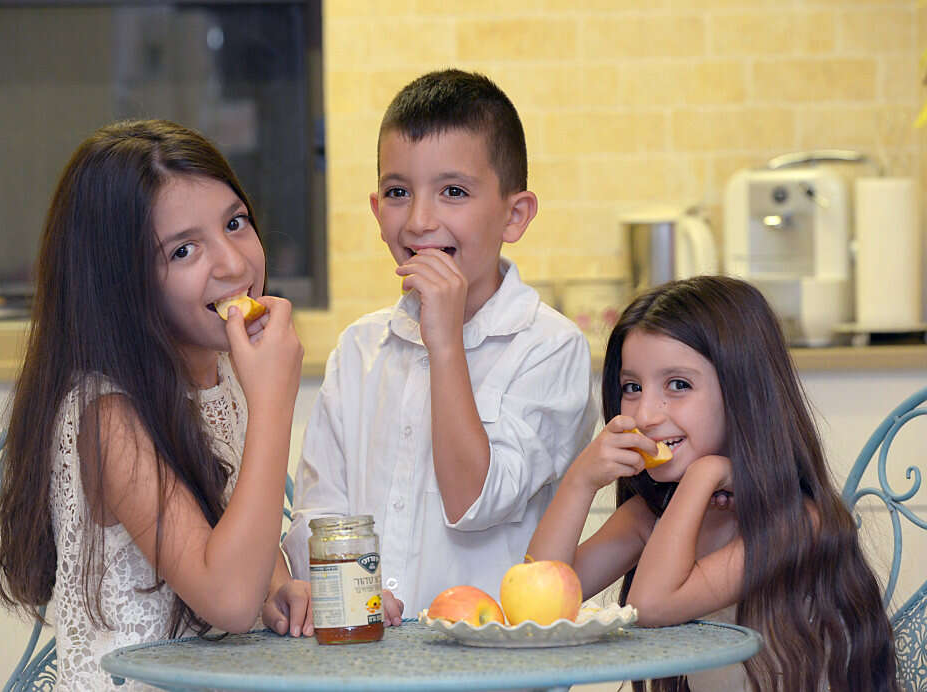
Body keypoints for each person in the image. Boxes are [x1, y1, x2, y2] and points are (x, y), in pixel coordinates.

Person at [0, 119, 309, 690]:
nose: (234, 264)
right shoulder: (107, 418)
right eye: (184, 250)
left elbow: (242, 553)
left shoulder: (222, 377)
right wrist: (273, 406)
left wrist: (279, 587)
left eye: (235, 223)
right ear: (121, 283)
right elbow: (229, 601)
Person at [277, 69, 598, 621]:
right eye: (398, 193)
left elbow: (475, 501)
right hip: (366, 653)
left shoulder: (551, 348)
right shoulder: (358, 350)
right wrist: (354, 592)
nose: (420, 221)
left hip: (493, 661)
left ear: (514, 215)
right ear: (377, 211)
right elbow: (316, 516)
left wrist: (445, 342)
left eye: (453, 192)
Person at [528, 275, 897, 692]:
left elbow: (651, 605)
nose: (645, 414)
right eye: (632, 387)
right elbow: (539, 603)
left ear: (744, 392)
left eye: (678, 385)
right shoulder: (649, 516)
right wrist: (580, 480)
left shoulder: (797, 523)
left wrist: (704, 474)